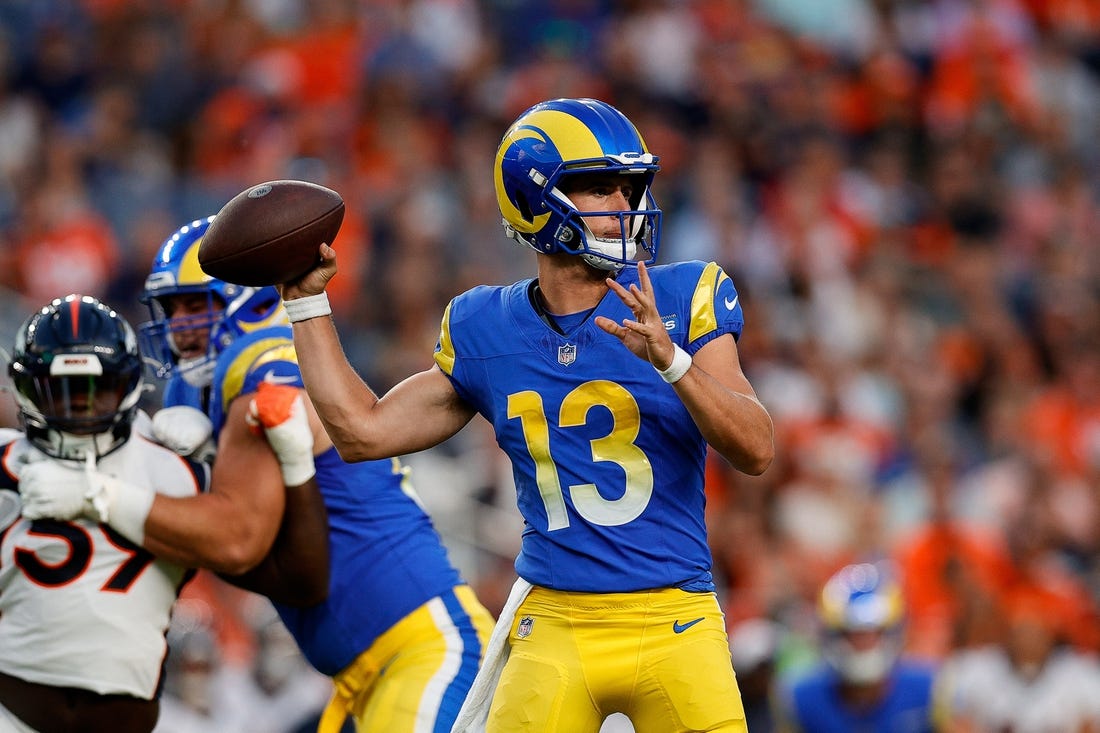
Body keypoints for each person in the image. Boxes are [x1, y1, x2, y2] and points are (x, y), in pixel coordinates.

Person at [279, 97, 775, 732]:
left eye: (627, 188)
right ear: (536, 200)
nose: (624, 205)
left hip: (675, 617)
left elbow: (757, 448)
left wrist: (671, 360)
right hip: (555, 624)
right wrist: (307, 307)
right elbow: (361, 430)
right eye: (599, 188)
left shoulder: (680, 297)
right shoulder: (486, 325)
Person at [24, 215, 495, 733]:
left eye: (194, 307)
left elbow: (237, 540)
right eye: (171, 309)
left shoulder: (267, 364)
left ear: (243, 299)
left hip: (422, 649)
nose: (179, 327)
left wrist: (100, 497)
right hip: (360, 675)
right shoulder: (191, 391)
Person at [0, 294, 211, 733]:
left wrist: (219, 458)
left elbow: (243, 549)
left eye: (97, 389)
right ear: (26, 389)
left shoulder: (171, 467)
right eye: (63, 390)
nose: (80, 404)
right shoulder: (4, 464)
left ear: (128, 385)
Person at [773, 562, 941, 733]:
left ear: (892, 633)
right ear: (832, 635)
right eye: (852, 634)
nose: (864, 645)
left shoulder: (929, 689)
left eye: (872, 633)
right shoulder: (801, 697)